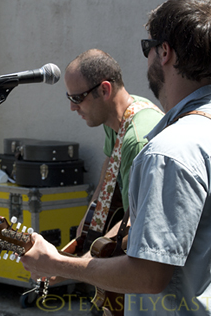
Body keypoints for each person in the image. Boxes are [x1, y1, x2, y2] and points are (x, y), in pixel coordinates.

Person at [21, 0, 211, 316]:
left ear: (164, 52)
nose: (146, 57)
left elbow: (148, 276)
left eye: (146, 47)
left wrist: (57, 264)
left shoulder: (168, 152)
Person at [64, 49, 163, 247]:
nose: (72, 108)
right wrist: (91, 216)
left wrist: (87, 261)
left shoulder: (136, 141)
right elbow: (110, 162)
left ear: (104, 90)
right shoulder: (116, 118)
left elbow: (137, 223)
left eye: (77, 99)